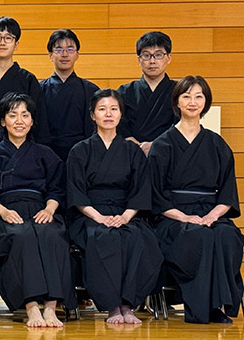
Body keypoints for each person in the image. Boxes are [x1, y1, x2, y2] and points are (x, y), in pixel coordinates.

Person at [148, 76, 244, 324]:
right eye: (186, 96)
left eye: (198, 96)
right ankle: (202, 308)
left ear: (206, 102)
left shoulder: (217, 144)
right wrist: (184, 217)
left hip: (210, 212)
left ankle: (218, 305)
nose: (192, 102)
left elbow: (227, 192)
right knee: (197, 236)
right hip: (172, 216)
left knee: (226, 236)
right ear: (177, 101)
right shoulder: (163, 144)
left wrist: (212, 216)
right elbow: (155, 194)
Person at [0, 92, 72, 327]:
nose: (19, 121)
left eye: (25, 115)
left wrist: (50, 209)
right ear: (2, 121)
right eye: (12, 115)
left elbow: (57, 188)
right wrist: (2, 211)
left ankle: (51, 307)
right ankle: (31, 308)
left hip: (40, 209)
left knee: (53, 235)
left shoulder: (46, 154)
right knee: (22, 236)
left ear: (32, 121)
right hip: (3, 212)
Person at [65, 88, 162, 324]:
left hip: (126, 211)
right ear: (92, 115)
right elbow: (76, 192)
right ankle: (111, 306)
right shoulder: (80, 151)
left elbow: (140, 189)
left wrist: (126, 216)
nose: (108, 114)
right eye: (102, 109)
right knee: (103, 237)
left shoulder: (132, 151)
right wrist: (98, 217)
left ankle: (128, 304)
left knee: (138, 238)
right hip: (90, 213)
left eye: (114, 109)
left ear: (120, 115)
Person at [0, 16, 50, 155]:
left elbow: (40, 121)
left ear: (16, 44)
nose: (2, 42)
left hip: (23, 145)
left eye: (8, 38)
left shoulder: (28, 79)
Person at [40, 29, 99, 160]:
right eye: (59, 50)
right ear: (50, 55)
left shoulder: (91, 90)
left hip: (83, 154)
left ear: (77, 54)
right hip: (47, 154)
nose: (65, 54)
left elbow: (96, 128)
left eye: (70, 49)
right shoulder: (39, 90)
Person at [118, 31, 177, 155]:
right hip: (132, 152)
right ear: (139, 60)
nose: (152, 61)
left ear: (169, 58)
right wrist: (130, 141)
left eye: (158, 55)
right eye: (146, 55)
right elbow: (119, 124)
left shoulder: (179, 90)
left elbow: (182, 124)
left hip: (169, 153)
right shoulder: (125, 91)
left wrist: (156, 145)